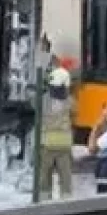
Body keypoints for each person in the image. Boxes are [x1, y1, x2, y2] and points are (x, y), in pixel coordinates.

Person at [39, 67, 75, 199]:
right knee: (65, 177)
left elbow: (33, 104)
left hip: (46, 145)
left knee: (44, 178)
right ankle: (66, 204)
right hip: (64, 146)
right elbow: (75, 111)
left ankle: (44, 203)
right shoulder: (70, 101)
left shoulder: (42, 100)